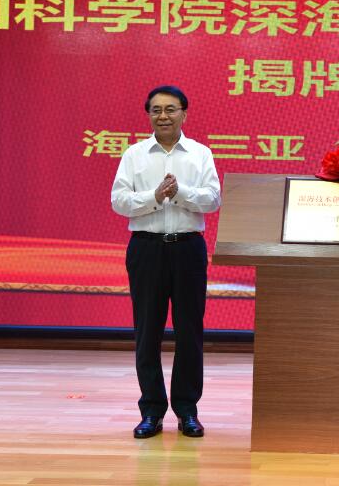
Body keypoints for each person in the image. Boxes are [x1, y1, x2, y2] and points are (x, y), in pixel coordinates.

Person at [111, 85, 221, 439]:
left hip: (188, 249)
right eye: (156, 110)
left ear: (184, 113)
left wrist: (181, 192)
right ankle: (151, 411)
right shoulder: (134, 155)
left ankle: (187, 411)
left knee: (190, 332)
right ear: (148, 115)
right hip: (147, 249)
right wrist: (155, 197)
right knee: (148, 332)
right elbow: (119, 201)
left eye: (171, 109)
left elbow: (213, 199)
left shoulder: (200, 154)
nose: (163, 116)